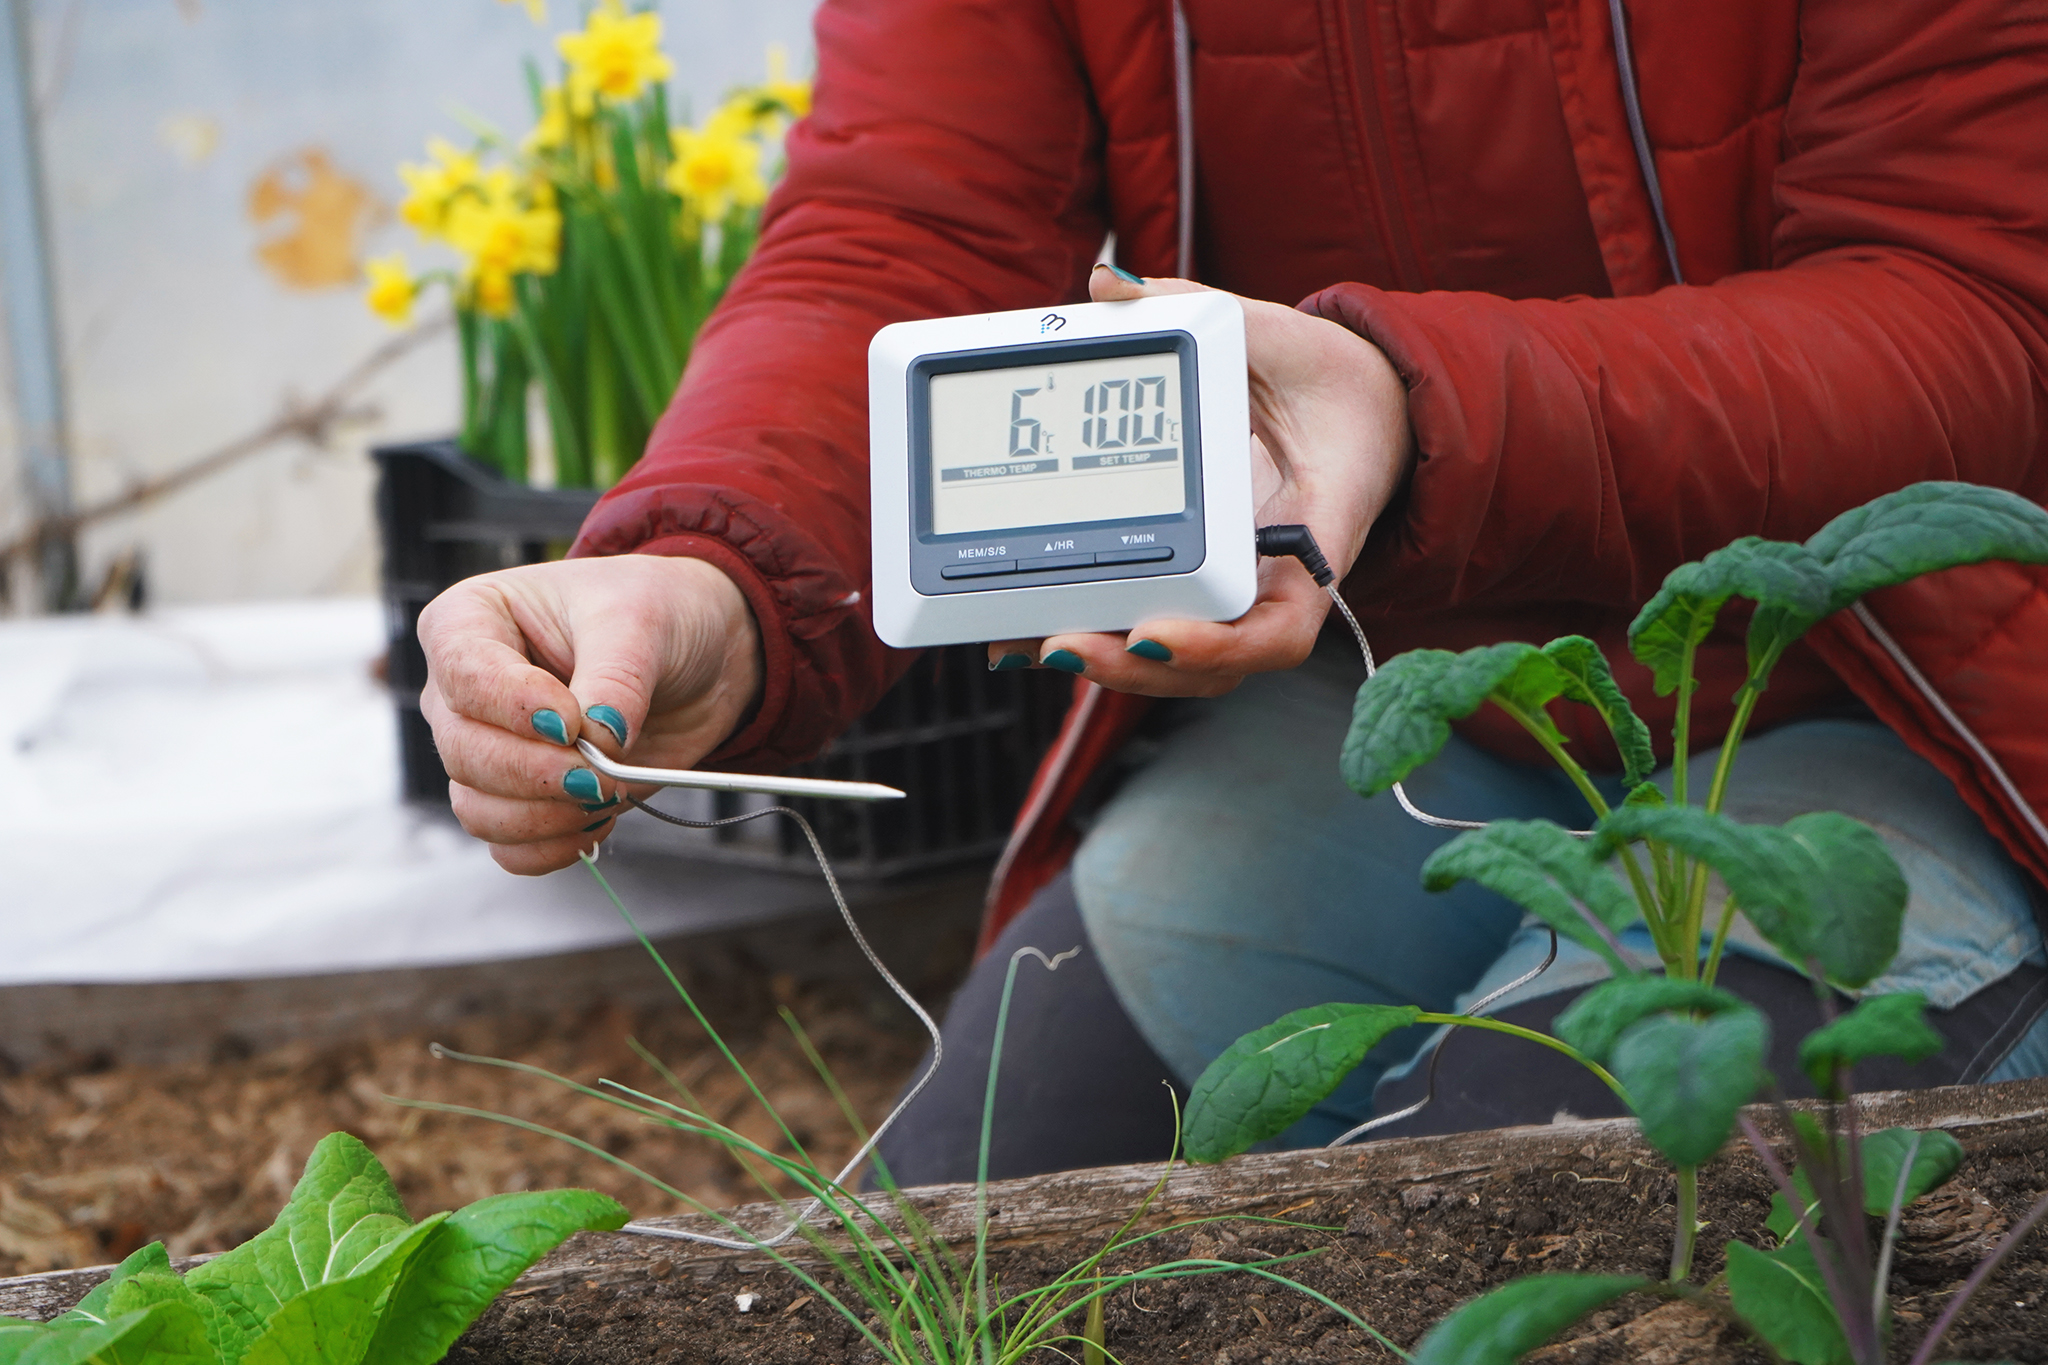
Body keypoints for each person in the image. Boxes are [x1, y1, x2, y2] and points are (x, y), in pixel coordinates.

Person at [418, 0, 2048, 1182]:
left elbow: (1983, 309)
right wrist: (714, 573)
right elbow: (908, 231)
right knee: (980, 1218)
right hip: (1403, 698)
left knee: (1549, 1200)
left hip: (1924, 689)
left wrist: (1420, 407)